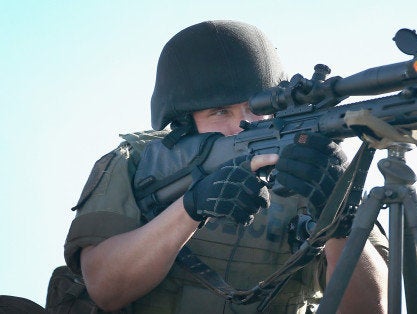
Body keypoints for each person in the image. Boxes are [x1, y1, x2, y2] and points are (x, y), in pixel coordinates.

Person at [64, 20, 388, 313]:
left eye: (255, 109)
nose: (242, 126)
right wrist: (191, 207)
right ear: (183, 122)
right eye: (219, 112)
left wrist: (339, 219)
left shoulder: (314, 171)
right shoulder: (135, 161)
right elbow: (106, 289)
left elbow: (373, 309)